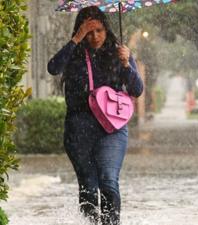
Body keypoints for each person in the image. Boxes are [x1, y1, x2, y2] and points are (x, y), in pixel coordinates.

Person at [47, 6, 143, 225]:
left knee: (108, 181)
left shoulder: (119, 53)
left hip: (112, 129)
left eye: (99, 30)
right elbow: (53, 68)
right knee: (89, 188)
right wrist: (76, 39)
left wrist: (127, 64)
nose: (95, 36)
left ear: (106, 29)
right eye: (89, 32)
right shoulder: (73, 55)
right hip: (78, 129)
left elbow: (137, 90)